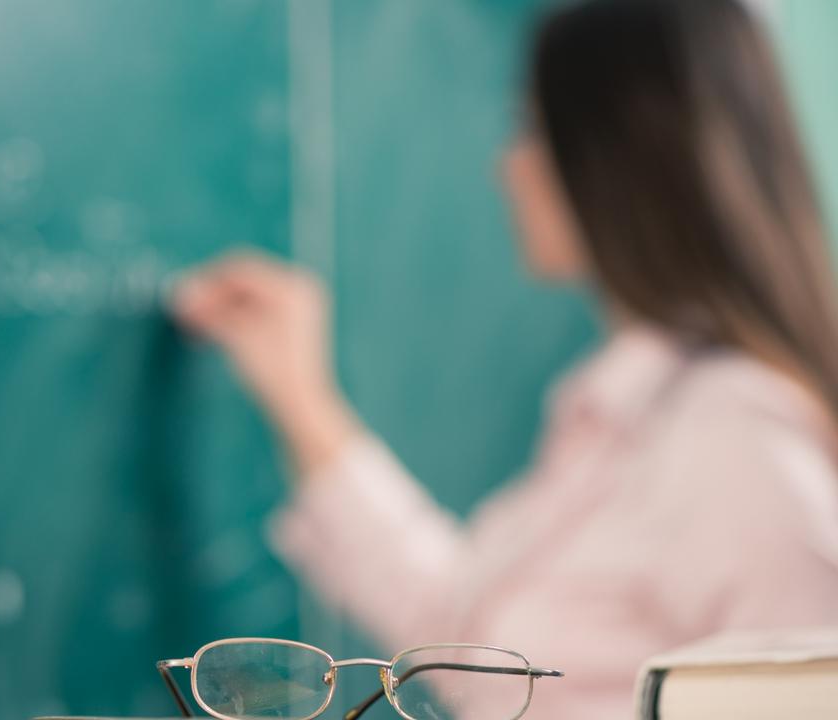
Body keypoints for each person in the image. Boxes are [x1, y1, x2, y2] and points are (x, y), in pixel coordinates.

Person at [170, 0, 838, 717]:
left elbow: (797, 700)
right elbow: (466, 640)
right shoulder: (625, 410)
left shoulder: (735, 441)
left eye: (530, 129)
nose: (507, 165)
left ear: (615, 155)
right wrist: (303, 402)